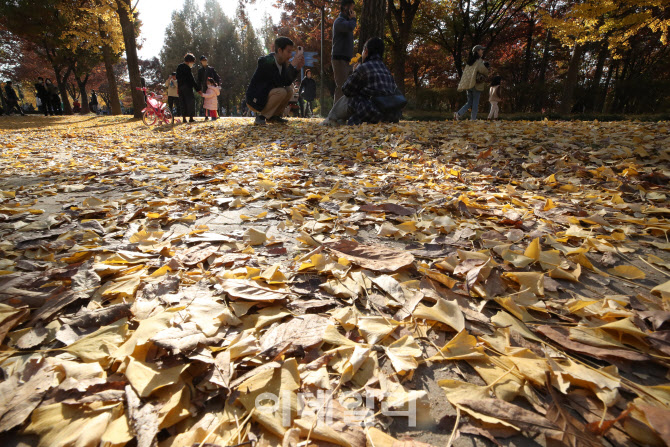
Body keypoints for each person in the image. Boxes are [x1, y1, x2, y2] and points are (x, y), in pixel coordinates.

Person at [322, 37, 401, 126]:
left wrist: (355, 72)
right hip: (391, 115)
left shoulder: (364, 68)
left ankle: (330, 119)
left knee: (350, 98)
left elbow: (346, 90)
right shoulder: (386, 70)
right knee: (361, 99)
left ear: (366, 51)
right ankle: (340, 120)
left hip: (371, 113)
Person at [245, 36, 305, 126]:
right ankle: (261, 117)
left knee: (289, 90)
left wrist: (297, 68)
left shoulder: (282, 64)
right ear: (280, 50)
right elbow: (278, 81)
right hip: (255, 99)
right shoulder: (266, 61)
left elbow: (286, 82)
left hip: (266, 96)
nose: (290, 55)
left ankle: (275, 116)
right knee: (281, 91)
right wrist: (292, 65)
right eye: (288, 52)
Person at [454, 45, 490, 121]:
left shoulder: (469, 62)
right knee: (475, 103)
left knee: (469, 102)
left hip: (469, 85)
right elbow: (483, 70)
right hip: (476, 85)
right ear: (477, 51)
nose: (482, 51)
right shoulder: (479, 61)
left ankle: (458, 114)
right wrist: (487, 68)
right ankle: (473, 118)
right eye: (481, 50)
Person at [332, 0, 357, 103]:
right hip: (339, 58)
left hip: (347, 59)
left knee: (349, 87)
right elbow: (350, 26)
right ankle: (335, 115)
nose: (353, 11)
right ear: (346, 7)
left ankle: (344, 112)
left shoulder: (347, 21)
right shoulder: (339, 21)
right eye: (352, 8)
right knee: (341, 87)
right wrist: (354, 19)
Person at [176, 53, 201, 123]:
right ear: (189, 61)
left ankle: (184, 118)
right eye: (192, 62)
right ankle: (191, 118)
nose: (192, 63)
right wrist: (197, 89)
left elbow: (177, 77)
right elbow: (191, 79)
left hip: (180, 87)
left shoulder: (179, 67)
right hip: (187, 87)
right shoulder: (187, 68)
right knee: (190, 102)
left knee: (182, 102)